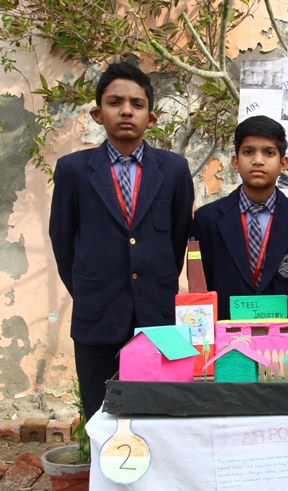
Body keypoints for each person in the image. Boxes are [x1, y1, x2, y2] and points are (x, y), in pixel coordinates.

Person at [49, 61, 194, 419]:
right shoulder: (73, 170)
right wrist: (89, 294)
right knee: (101, 418)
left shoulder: (174, 170)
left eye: (137, 104)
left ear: (151, 117)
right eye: (115, 102)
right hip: (97, 319)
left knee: (159, 417)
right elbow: (63, 241)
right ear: (98, 114)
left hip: (157, 318)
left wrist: (155, 288)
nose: (126, 111)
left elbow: (178, 239)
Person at [192, 115, 288, 320]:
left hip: (286, 332)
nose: (258, 160)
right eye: (248, 152)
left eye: (269, 153)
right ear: (235, 162)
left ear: (283, 164)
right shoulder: (207, 219)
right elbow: (201, 285)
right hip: (226, 331)